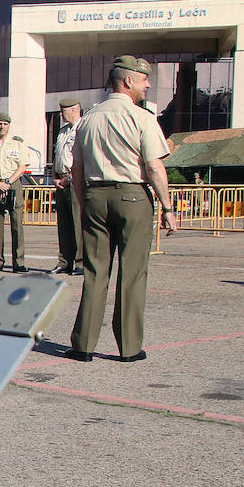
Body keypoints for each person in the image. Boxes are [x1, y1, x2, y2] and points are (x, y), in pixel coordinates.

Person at [65, 56, 177, 362]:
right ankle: (128, 347)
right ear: (128, 81)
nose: (148, 85)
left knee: (94, 270)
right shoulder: (142, 118)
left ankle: (83, 344)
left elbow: (76, 168)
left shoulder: (88, 118)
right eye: (144, 80)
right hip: (132, 195)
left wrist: (84, 199)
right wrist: (167, 206)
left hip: (94, 196)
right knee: (132, 271)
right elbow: (154, 166)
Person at [0, 113, 31, 272]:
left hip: (13, 183)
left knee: (17, 224)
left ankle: (19, 262)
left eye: (5, 124)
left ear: (9, 125)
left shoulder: (17, 144)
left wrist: (9, 182)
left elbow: (22, 166)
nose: (2, 127)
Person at [52, 98, 84, 274]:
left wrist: (70, 178)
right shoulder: (62, 132)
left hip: (75, 180)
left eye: (63, 110)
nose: (61, 114)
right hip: (61, 180)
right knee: (63, 223)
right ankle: (64, 261)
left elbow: (84, 157)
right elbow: (58, 156)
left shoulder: (83, 128)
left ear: (73, 110)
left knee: (78, 222)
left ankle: (80, 262)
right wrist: (54, 177)